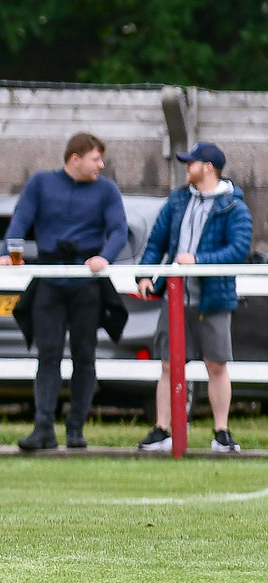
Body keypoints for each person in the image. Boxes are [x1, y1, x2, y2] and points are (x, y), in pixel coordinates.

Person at [0, 132, 128, 451]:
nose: (101, 165)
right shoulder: (41, 184)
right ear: (76, 158)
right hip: (49, 279)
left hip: (86, 283)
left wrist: (104, 258)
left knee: (85, 356)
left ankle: (76, 430)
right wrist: (7, 251)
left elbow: (119, 230)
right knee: (48, 356)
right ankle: (43, 428)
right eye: (96, 159)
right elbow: (20, 221)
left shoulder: (107, 190)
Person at [136, 142, 252, 453]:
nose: (187, 167)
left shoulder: (234, 207)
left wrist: (198, 260)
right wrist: (144, 274)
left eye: (192, 163)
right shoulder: (176, 201)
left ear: (209, 167)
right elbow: (155, 242)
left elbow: (238, 250)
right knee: (168, 364)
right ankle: (163, 429)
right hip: (174, 297)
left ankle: (222, 432)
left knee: (216, 364)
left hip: (213, 297)